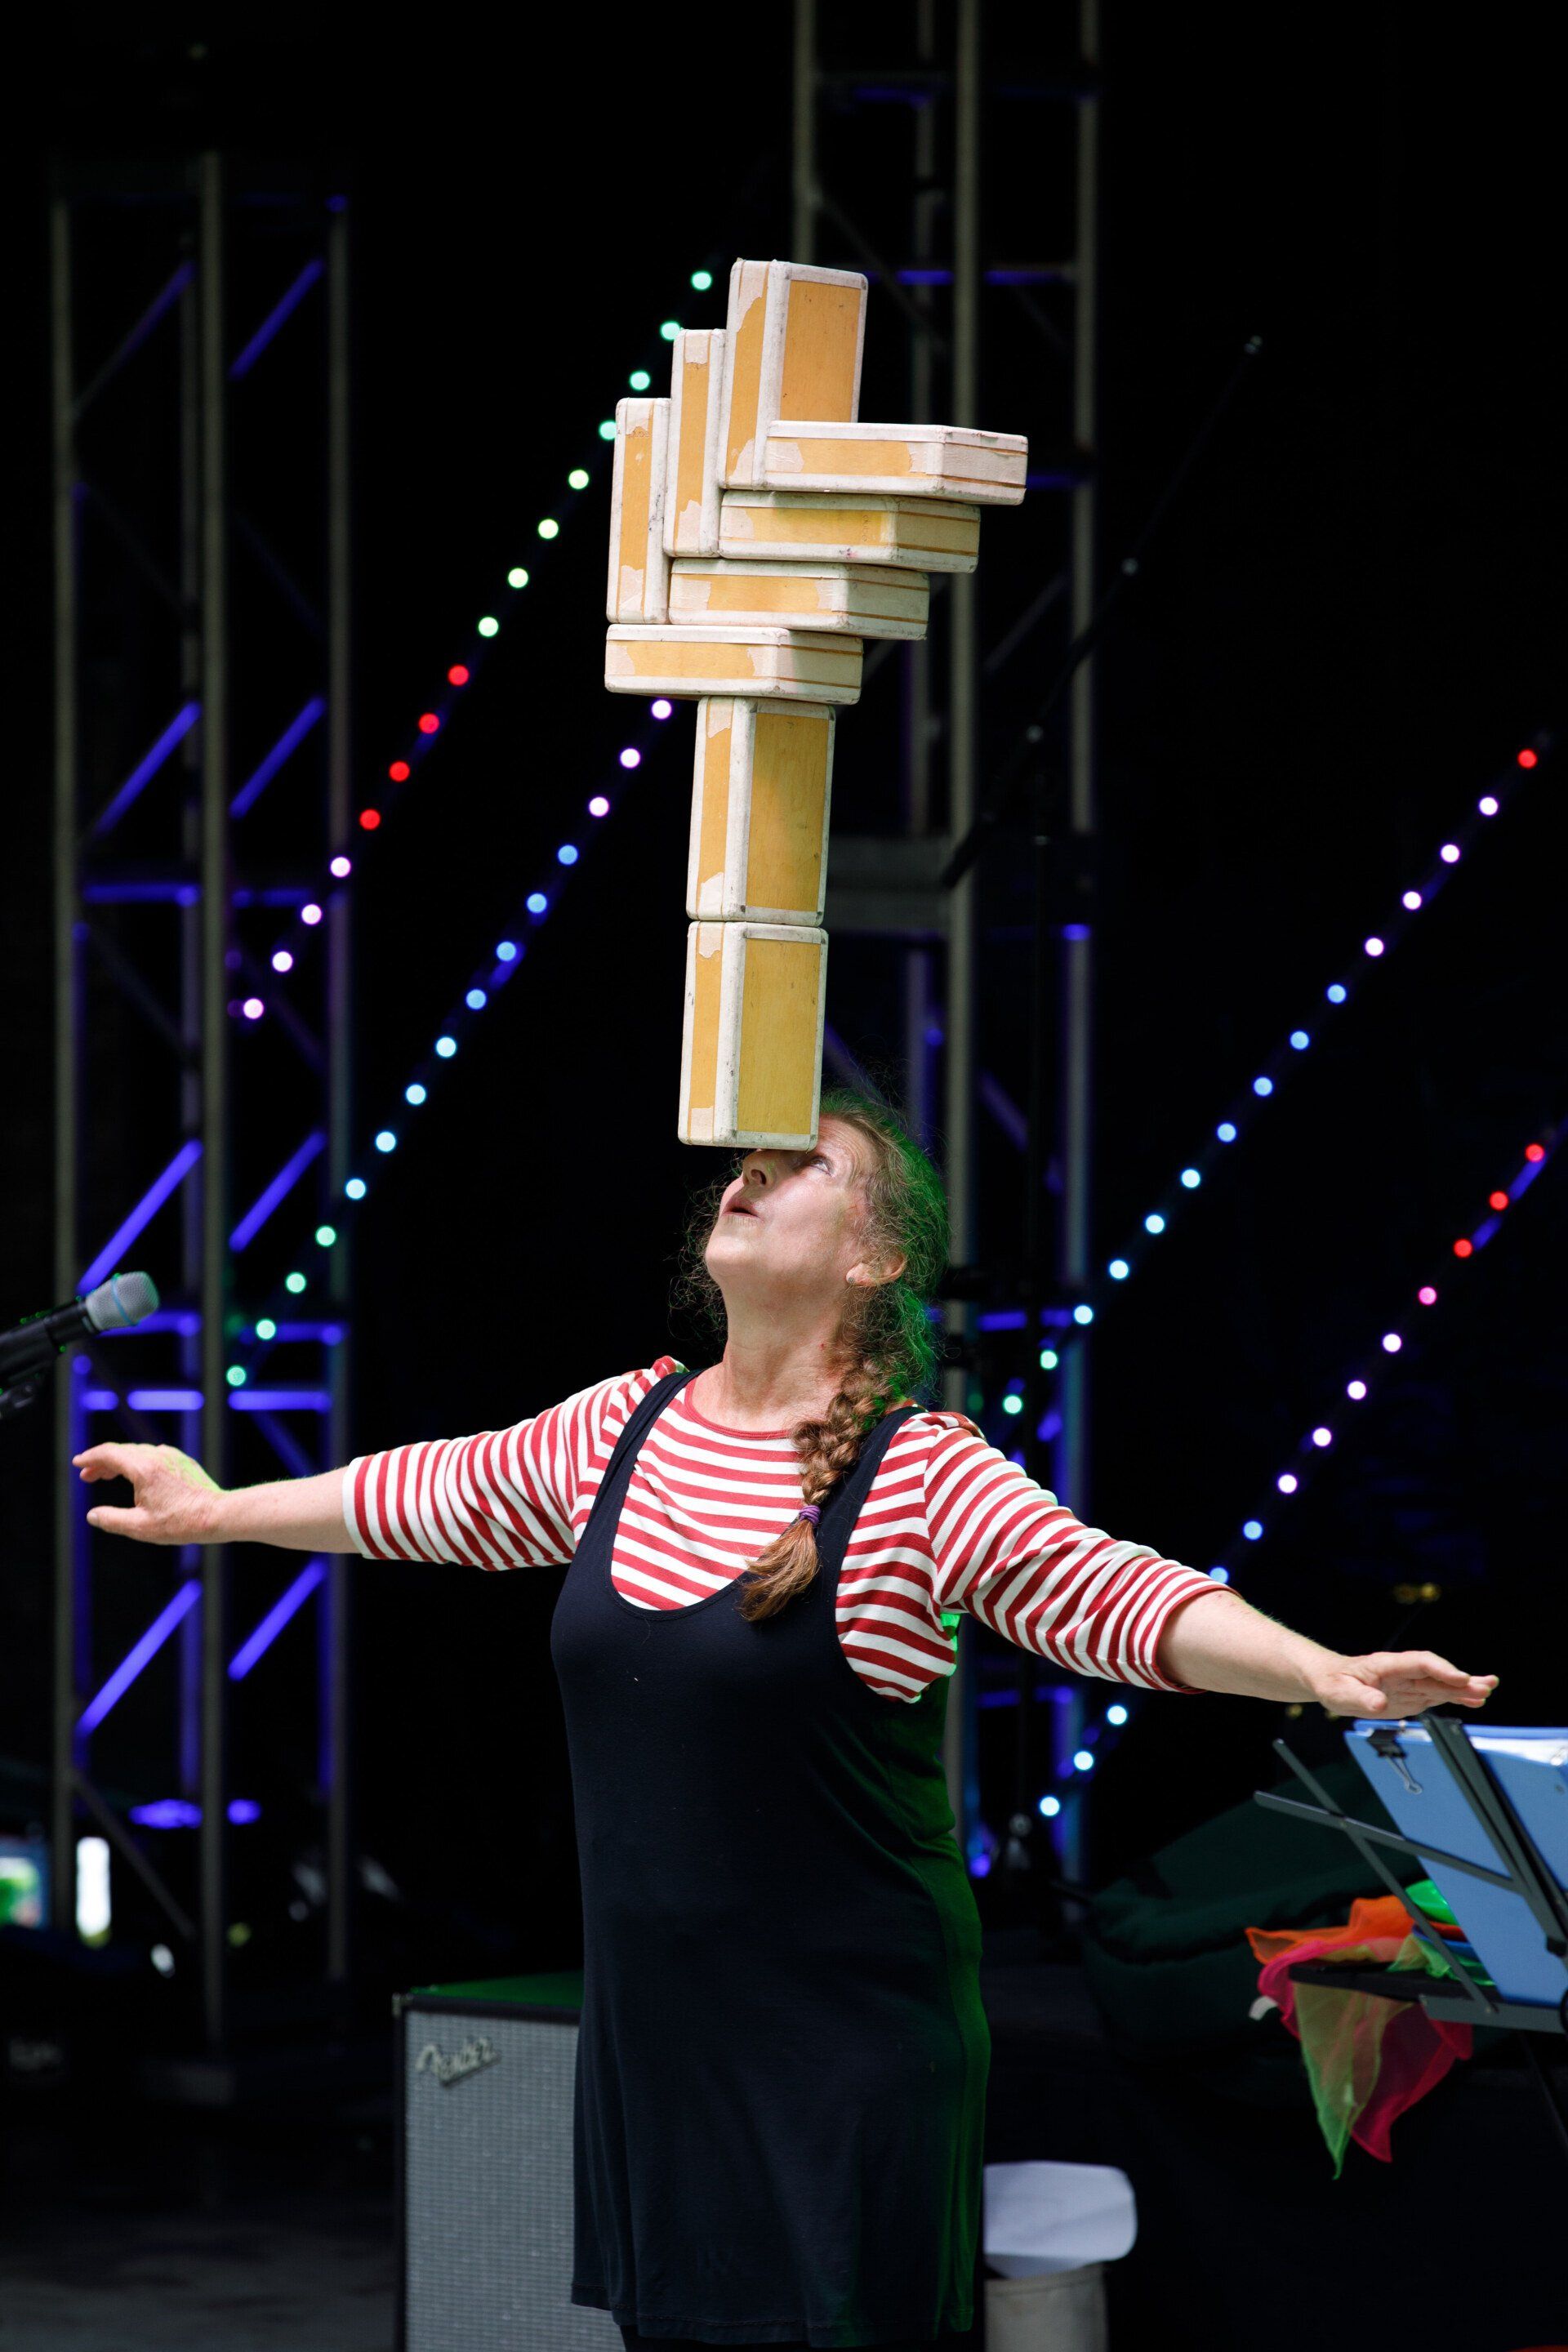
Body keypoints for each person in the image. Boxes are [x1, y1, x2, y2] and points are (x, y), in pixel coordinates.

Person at [72, 1088, 1498, 2350]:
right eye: (743, 1163)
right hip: (661, 2054)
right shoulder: (619, 1430)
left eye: (798, 1165)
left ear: (874, 1258)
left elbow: (1113, 1590)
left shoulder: (915, 1474)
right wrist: (215, 1512)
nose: (744, 1178)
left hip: (846, 2063)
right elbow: (420, 1495)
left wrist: (1320, 1669)